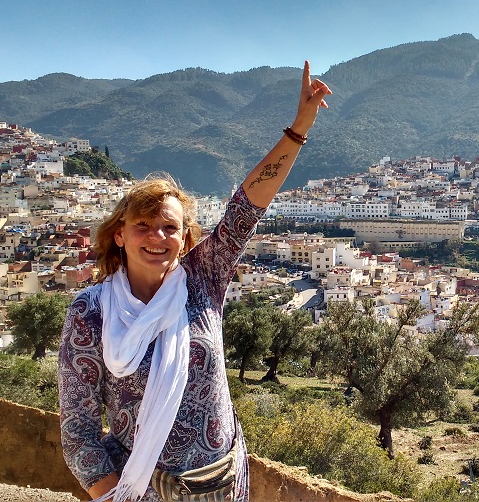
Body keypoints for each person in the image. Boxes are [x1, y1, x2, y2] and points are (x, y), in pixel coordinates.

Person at [57, 62, 332, 502]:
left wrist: (299, 127)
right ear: (120, 234)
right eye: (143, 225)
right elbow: (79, 431)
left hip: (222, 480)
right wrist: (117, 496)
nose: (157, 237)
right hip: (140, 488)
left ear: (185, 237)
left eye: (169, 227)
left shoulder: (202, 277)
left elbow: (247, 206)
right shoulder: (90, 313)